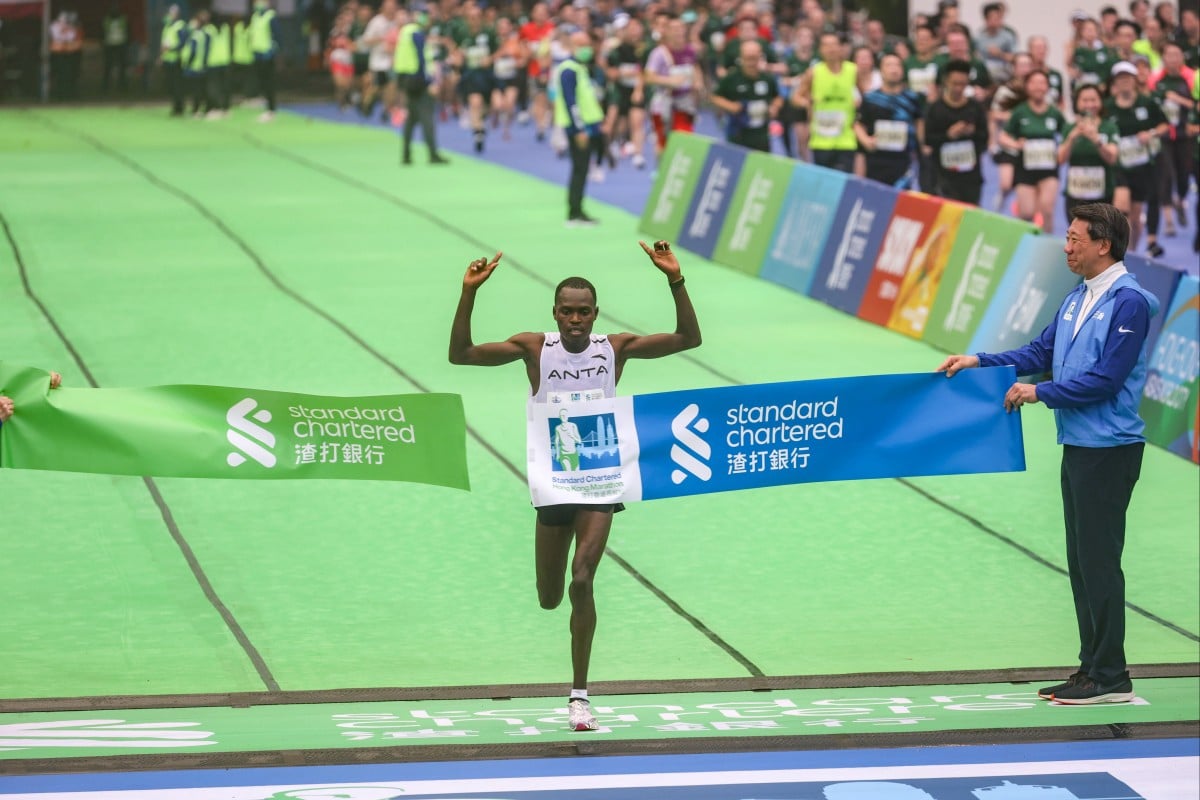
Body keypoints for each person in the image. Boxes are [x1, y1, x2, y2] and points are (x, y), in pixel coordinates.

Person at [448, 239, 701, 731]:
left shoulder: (616, 349)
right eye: (567, 312)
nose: (576, 320)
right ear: (556, 313)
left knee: (581, 579)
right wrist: (468, 293)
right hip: (553, 485)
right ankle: (569, 649)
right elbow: (461, 355)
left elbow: (687, 339)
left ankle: (579, 696)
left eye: (584, 312)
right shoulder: (534, 348)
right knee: (549, 596)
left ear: (595, 313)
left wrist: (675, 278)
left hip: (602, 482)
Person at [938, 202, 1158, 705]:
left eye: (1076, 238)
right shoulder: (1078, 297)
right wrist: (981, 362)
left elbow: (1107, 379)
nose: (1067, 246)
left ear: (1104, 245)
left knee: (1100, 560)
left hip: (1110, 448)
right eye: (1067, 237)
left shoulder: (1129, 302)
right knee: (1081, 561)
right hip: (1079, 445)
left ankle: (1111, 675)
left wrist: (1040, 394)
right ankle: (1091, 668)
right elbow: (1039, 354)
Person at [1105, 60, 1169, 256]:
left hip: (1142, 167)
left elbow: (1164, 126)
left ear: (1134, 81)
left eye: (1128, 78)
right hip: (1119, 167)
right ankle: (1120, 251)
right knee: (1121, 209)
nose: (1124, 82)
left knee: (1135, 216)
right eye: (1120, 79)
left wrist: (1150, 134)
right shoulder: (1108, 108)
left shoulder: (1147, 103)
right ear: (1115, 83)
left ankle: (1132, 251)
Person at [999, 69, 1067, 232]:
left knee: (1047, 210)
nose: (1038, 87)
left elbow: (1066, 134)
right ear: (1027, 87)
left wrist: (1063, 150)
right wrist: (1016, 144)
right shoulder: (1020, 112)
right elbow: (1003, 137)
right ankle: (1025, 244)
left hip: (1049, 168)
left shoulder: (1054, 113)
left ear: (1047, 87)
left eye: (1042, 83)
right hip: (1025, 168)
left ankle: (1047, 245)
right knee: (1026, 213)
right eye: (1034, 83)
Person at [556, 31, 605, 226]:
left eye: (588, 44)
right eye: (582, 44)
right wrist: (579, 130)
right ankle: (574, 212)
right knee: (580, 169)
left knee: (583, 169)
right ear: (573, 46)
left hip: (589, 125)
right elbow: (571, 102)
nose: (587, 49)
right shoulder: (569, 70)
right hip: (579, 128)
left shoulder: (580, 67)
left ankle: (577, 210)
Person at [924, 58, 988, 204]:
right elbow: (928, 140)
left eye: (963, 84)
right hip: (943, 176)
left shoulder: (975, 108)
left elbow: (984, 138)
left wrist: (971, 133)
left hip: (971, 177)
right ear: (946, 81)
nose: (959, 88)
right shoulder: (935, 109)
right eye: (955, 84)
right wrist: (948, 135)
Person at [854, 53, 923, 188]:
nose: (894, 69)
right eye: (889, 65)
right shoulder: (870, 98)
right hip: (877, 161)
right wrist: (866, 141)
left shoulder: (912, 98)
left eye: (897, 65)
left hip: (904, 162)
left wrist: (920, 145)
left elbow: (919, 122)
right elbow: (858, 124)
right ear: (880, 70)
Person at [795, 31, 858, 173]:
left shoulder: (853, 70)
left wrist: (859, 103)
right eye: (826, 45)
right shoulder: (814, 72)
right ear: (820, 50)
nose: (830, 49)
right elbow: (796, 97)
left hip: (846, 139)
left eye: (834, 45)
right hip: (821, 140)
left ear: (841, 48)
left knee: (845, 182)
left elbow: (865, 95)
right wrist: (806, 102)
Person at [1058, 84, 1121, 224]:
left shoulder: (1109, 127)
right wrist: (1071, 139)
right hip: (1075, 196)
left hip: (1102, 196)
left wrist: (1096, 140)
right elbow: (1060, 159)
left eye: (1093, 100)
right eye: (1084, 100)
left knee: (1099, 239)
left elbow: (1112, 158)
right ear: (1077, 103)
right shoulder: (1069, 127)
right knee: (1078, 239)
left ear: (1100, 102)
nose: (1089, 104)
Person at [395, 7, 448, 166]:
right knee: (426, 115)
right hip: (417, 79)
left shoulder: (405, 31)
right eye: (424, 15)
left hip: (405, 78)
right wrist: (429, 82)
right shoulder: (416, 32)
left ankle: (406, 154)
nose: (427, 19)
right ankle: (432, 154)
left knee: (411, 117)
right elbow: (421, 59)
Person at [711, 39, 781, 153]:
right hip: (738, 134)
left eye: (754, 58)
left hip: (762, 136)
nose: (751, 62)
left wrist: (775, 107)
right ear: (741, 58)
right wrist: (730, 106)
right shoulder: (731, 78)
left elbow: (777, 97)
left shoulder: (767, 79)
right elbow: (715, 97)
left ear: (760, 57)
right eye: (748, 58)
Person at [250, 0, 281, 122]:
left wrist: (273, 50)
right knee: (261, 81)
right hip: (257, 54)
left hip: (267, 54)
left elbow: (277, 35)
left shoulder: (271, 16)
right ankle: (266, 107)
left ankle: (271, 109)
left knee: (269, 82)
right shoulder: (255, 17)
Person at [160, 5, 187, 116]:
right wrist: (161, 57)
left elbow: (182, 43)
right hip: (168, 60)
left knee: (177, 85)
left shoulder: (179, 26)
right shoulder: (167, 26)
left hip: (176, 60)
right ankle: (175, 106)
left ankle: (179, 108)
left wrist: (171, 49)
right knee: (171, 85)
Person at [102, 3, 130, 94]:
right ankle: (106, 86)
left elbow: (128, 31)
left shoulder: (123, 19)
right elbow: (102, 32)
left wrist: (127, 43)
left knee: (122, 67)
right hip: (110, 45)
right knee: (108, 67)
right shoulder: (107, 19)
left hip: (120, 45)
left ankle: (122, 85)